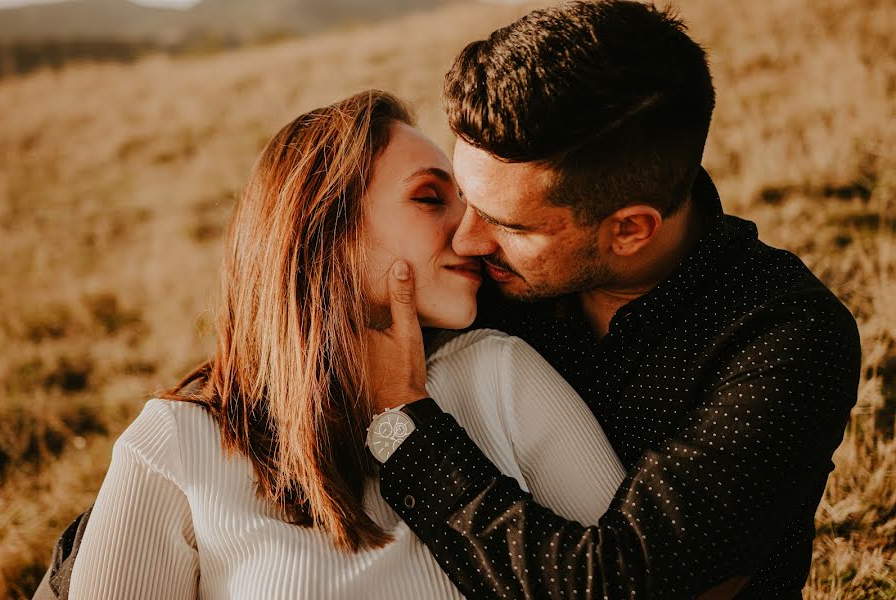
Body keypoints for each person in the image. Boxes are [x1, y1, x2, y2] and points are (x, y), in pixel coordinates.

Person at [49, 90, 630, 600]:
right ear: (324, 228)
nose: (471, 233)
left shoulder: (500, 374)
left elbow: (629, 582)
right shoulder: (177, 441)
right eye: (430, 198)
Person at [367, 2, 862, 599]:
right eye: (464, 196)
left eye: (512, 227)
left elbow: (615, 584)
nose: (467, 239)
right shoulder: (478, 282)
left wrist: (406, 426)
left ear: (630, 229)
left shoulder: (785, 340)